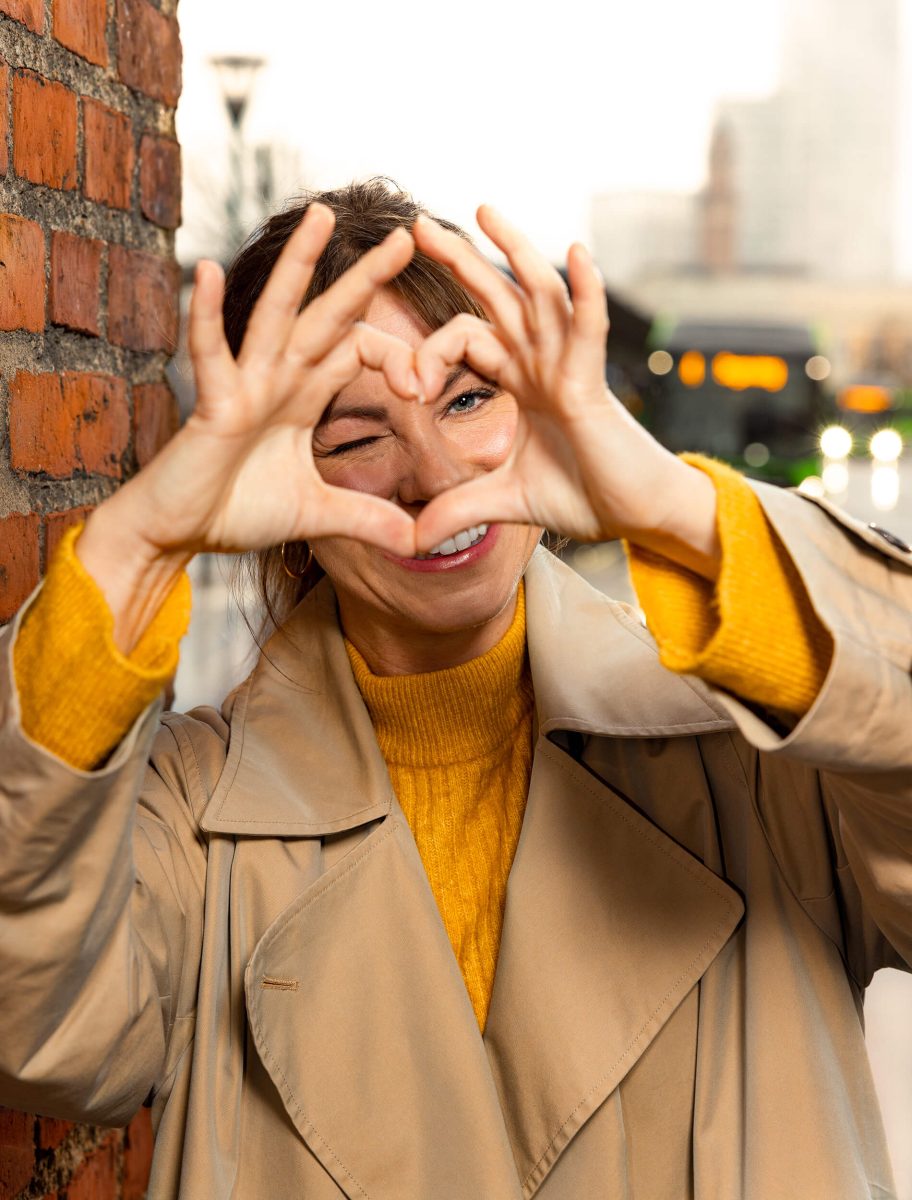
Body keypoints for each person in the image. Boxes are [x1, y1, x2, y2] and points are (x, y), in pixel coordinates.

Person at [1, 179, 911, 1199]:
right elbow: (39, 1031)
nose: (433, 474)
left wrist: (669, 504)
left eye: (469, 399)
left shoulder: (758, 757)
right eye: (354, 438)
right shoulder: (190, 824)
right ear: (282, 495)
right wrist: (144, 539)